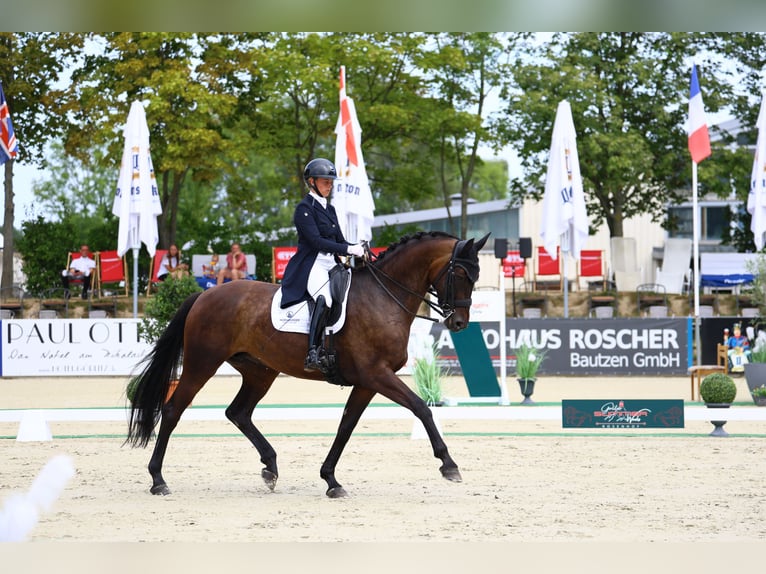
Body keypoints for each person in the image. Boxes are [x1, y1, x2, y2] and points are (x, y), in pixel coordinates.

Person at [279, 158, 365, 372]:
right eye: (325, 181)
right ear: (312, 182)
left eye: (331, 181)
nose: (330, 185)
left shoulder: (331, 209)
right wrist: (347, 249)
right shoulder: (304, 209)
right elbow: (315, 241)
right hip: (312, 264)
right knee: (324, 298)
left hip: (331, 263)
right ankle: (313, 352)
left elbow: (339, 241)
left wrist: (355, 247)